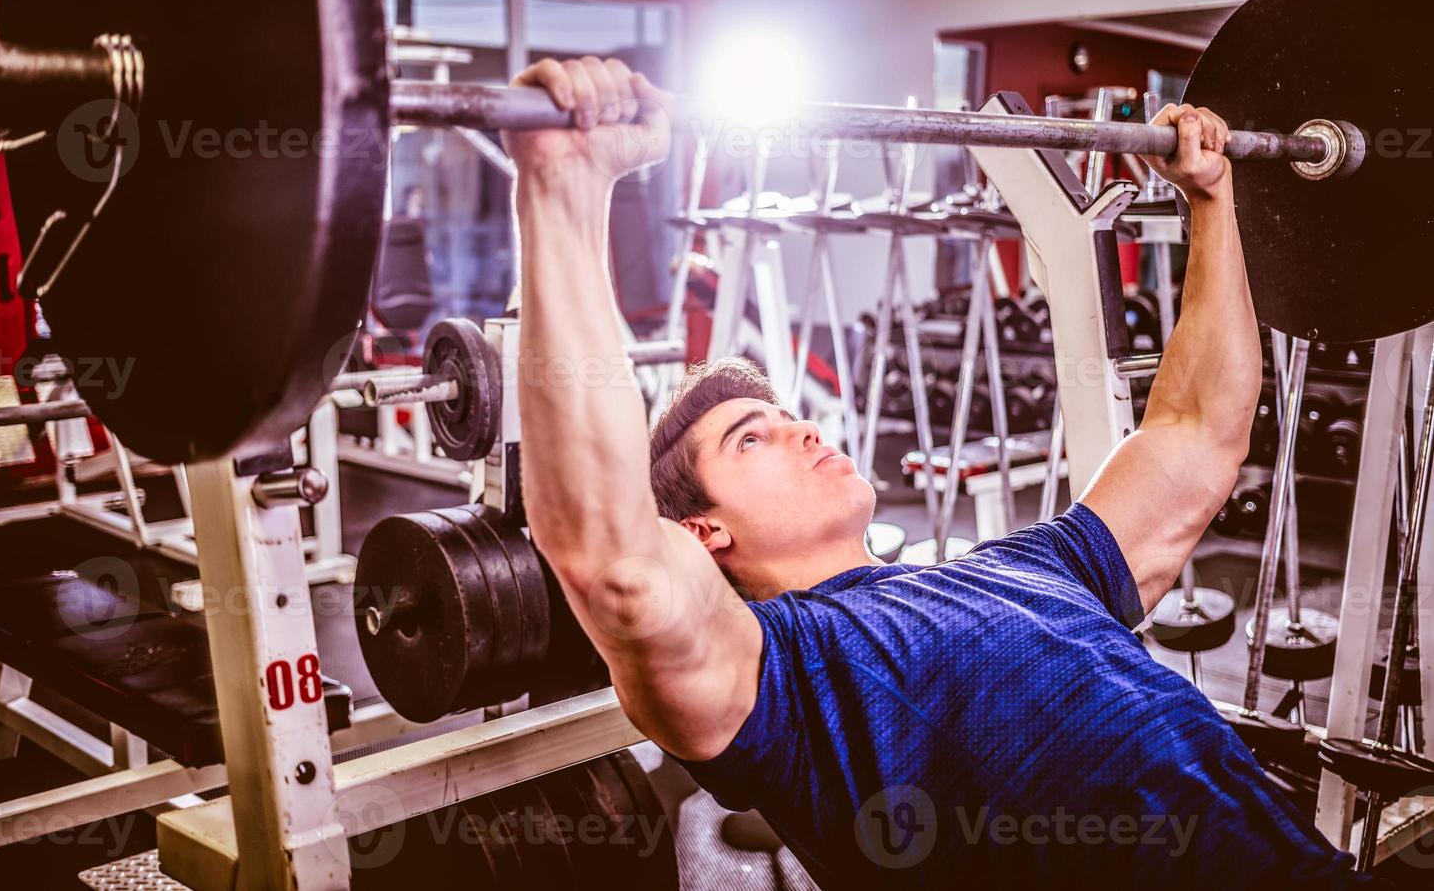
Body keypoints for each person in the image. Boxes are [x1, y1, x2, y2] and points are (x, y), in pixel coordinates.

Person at [503, 56, 1372, 887]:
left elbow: (1198, 431)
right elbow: (617, 566)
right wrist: (564, 187)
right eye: (751, 439)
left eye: (787, 414)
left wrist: (1212, 202)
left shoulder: (1030, 568)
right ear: (702, 533)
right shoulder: (781, 683)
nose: (803, 428)